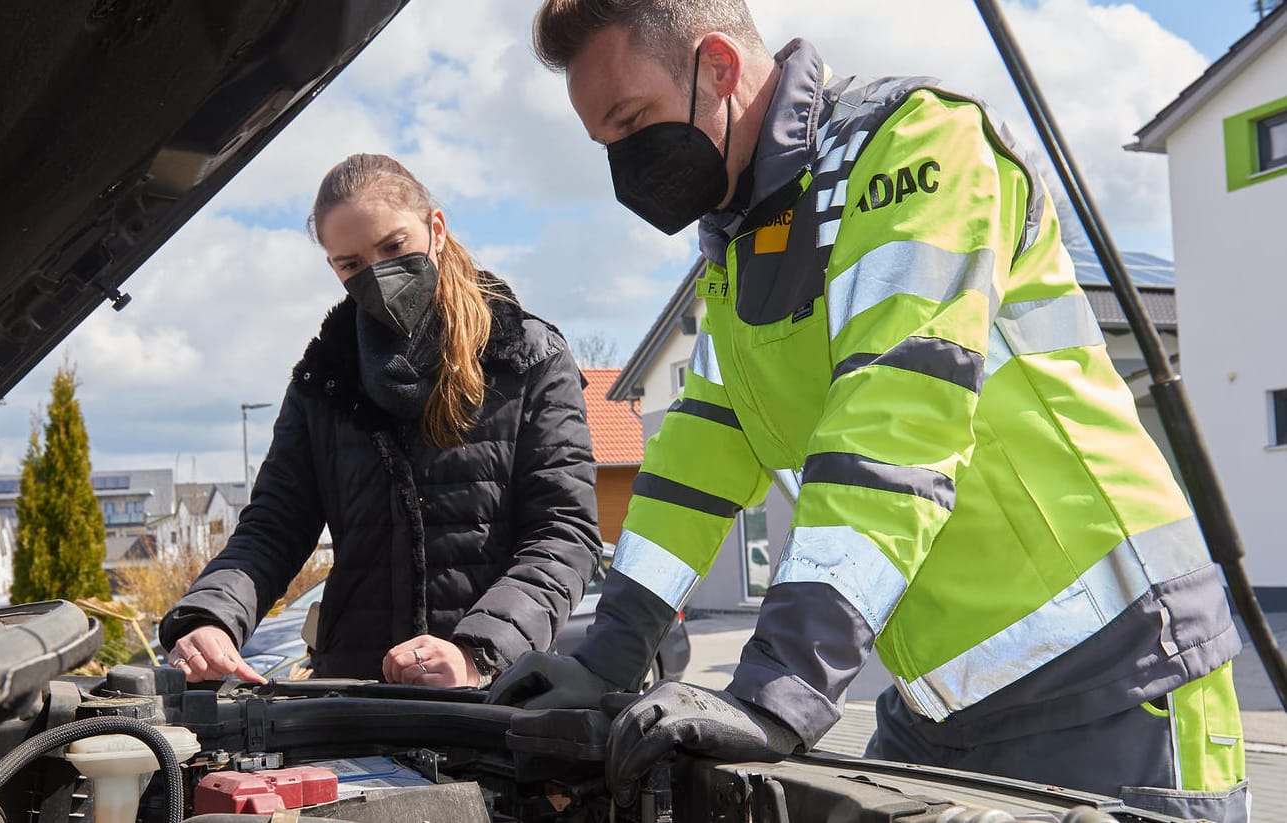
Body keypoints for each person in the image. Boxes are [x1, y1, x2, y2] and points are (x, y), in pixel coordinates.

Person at [489, 2, 1249, 820]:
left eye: (632, 121)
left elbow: (896, 419)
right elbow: (703, 448)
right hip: (943, 706)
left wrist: (777, 690)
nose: (626, 166)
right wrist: (608, 656)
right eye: (607, 145)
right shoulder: (739, 238)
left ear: (718, 67)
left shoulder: (919, 144)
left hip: (1115, 676)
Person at [160, 153, 601, 689]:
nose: (378, 275)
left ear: (436, 229)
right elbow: (274, 526)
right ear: (333, 267)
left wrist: (475, 651)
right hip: (355, 697)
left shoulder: (526, 357)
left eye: (394, 247)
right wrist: (210, 617)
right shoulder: (323, 379)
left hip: (492, 697)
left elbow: (563, 534)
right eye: (351, 264)